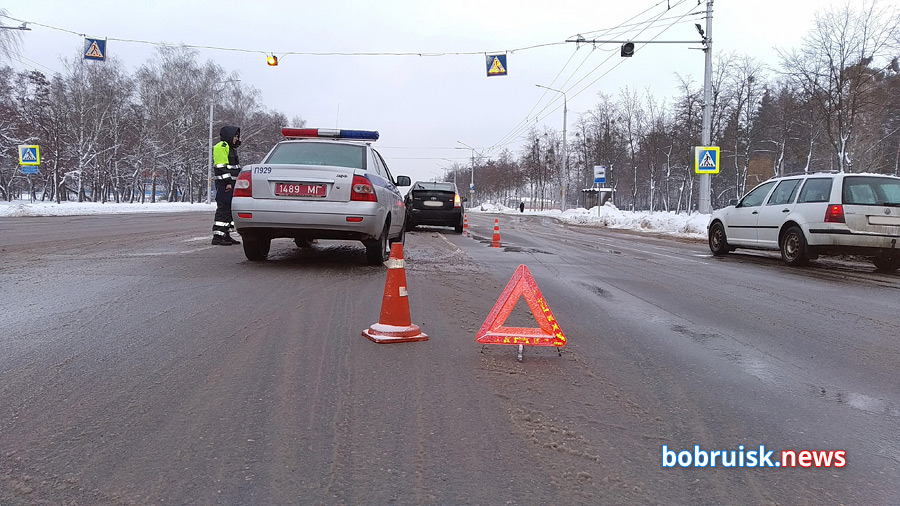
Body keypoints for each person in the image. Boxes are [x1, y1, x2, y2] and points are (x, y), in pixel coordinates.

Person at [211, 125, 242, 245]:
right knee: (223, 209)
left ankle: (226, 234)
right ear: (229, 136)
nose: (236, 138)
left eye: (237, 136)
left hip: (232, 185)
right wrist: (228, 182)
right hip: (225, 185)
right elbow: (220, 167)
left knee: (229, 210)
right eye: (235, 136)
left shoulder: (231, 148)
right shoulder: (222, 146)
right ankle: (218, 237)